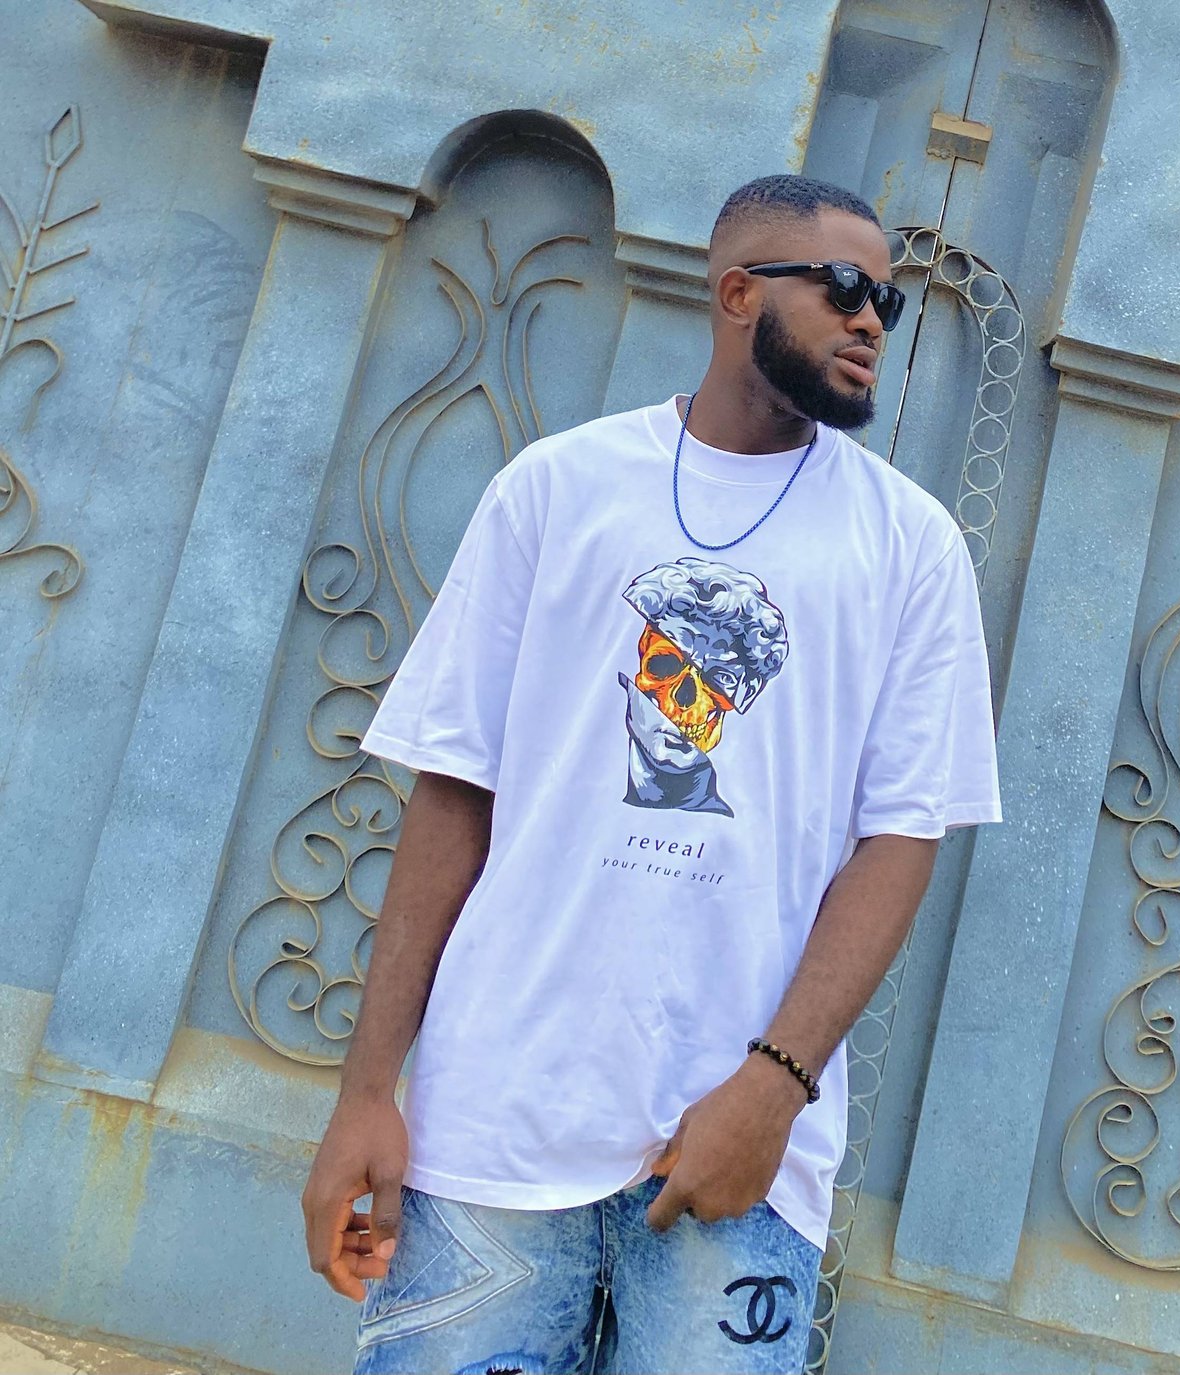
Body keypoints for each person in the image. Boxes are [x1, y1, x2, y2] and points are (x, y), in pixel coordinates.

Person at [301, 174, 1002, 1375]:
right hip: (495, 1119)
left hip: (740, 1152)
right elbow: (454, 791)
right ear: (737, 294)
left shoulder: (910, 548)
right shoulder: (557, 490)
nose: (871, 318)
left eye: (885, 299)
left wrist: (773, 1089)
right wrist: (368, 1091)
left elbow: (900, 842)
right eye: (842, 286)